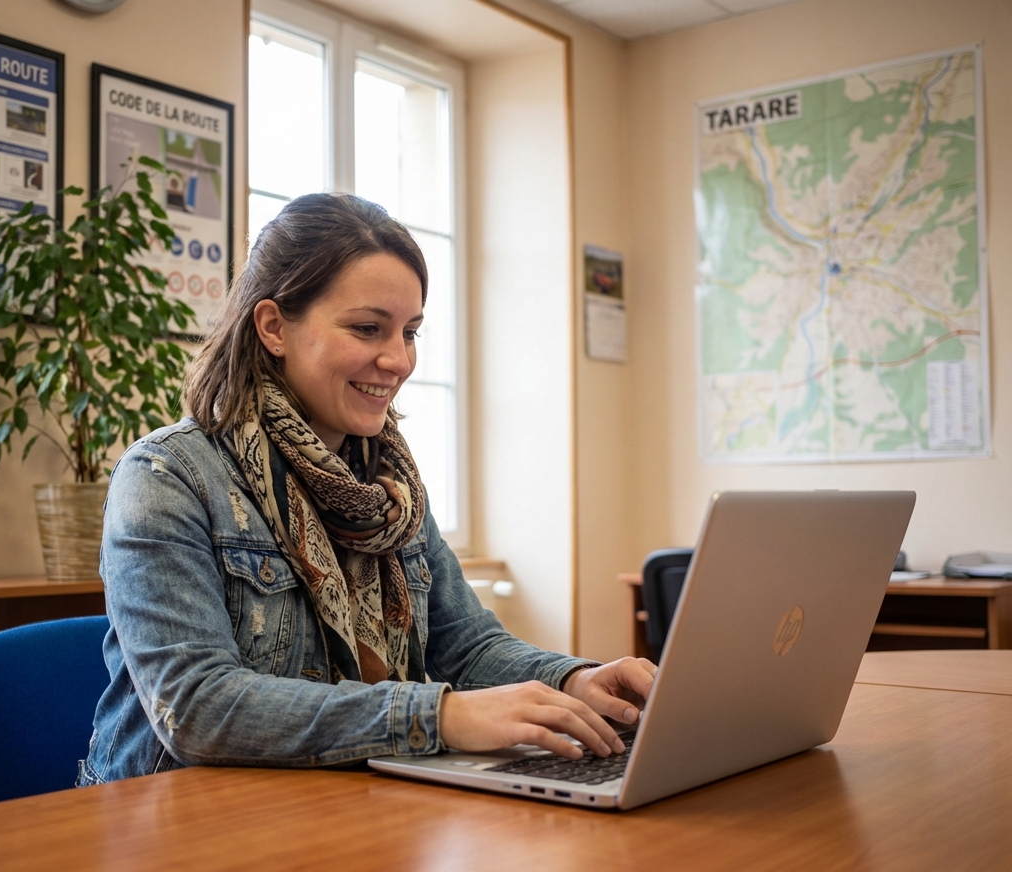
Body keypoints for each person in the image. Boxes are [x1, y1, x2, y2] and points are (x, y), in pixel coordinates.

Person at [79, 193, 655, 785]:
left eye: (410, 332)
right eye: (367, 329)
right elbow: (198, 708)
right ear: (274, 327)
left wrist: (575, 679)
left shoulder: (391, 489)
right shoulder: (165, 478)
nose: (399, 360)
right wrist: (441, 715)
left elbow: (469, 646)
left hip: (339, 804)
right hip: (173, 828)